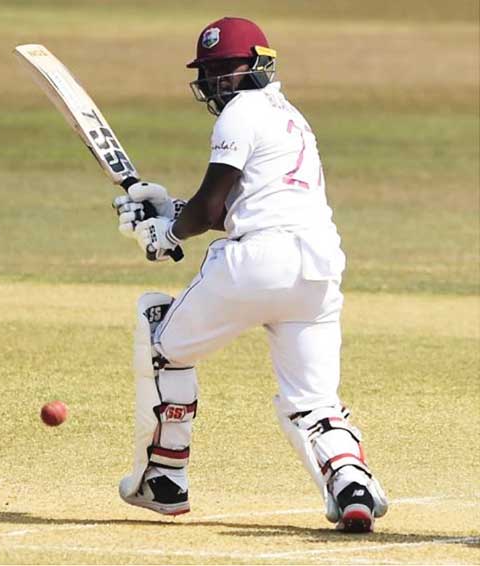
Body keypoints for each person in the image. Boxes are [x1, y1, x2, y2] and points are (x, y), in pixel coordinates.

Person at [111, 17, 387, 533]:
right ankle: (352, 485)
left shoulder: (238, 113)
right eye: (210, 71)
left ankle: (163, 477)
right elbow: (228, 207)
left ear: (258, 63)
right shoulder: (290, 115)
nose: (217, 80)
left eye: (225, 68)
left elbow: (212, 208)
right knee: (313, 398)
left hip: (257, 262)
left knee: (161, 341)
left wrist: (164, 236)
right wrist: (169, 209)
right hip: (319, 270)